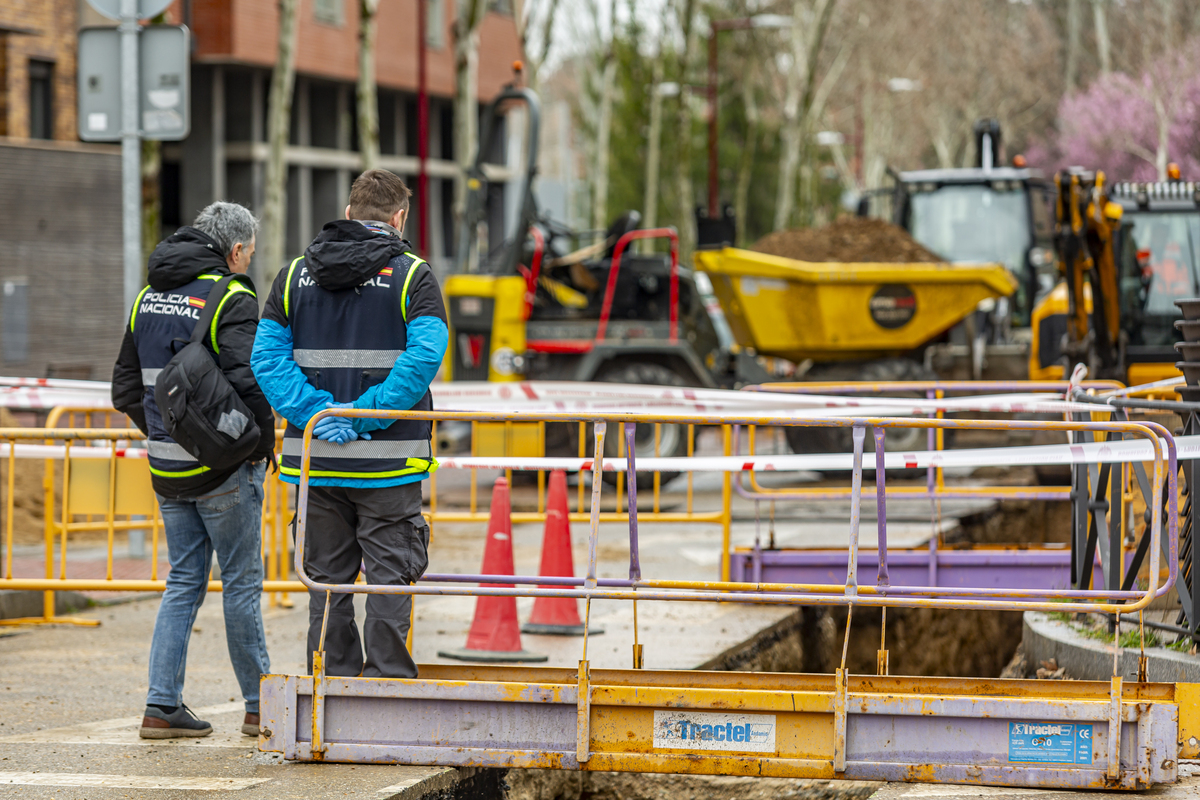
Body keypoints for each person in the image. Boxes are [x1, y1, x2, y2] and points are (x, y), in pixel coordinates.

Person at [251, 169, 448, 678]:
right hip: (388, 465)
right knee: (388, 581)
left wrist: (318, 414)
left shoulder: (293, 274)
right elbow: (425, 357)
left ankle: (328, 691)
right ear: (398, 218)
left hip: (315, 464)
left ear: (348, 213)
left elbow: (267, 358)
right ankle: (384, 694)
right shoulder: (413, 275)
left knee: (325, 583)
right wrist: (363, 417)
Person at [111, 202, 275, 739]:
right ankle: (260, 707)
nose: (247, 262)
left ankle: (162, 706)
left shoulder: (145, 298)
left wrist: (167, 434)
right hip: (225, 470)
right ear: (233, 250)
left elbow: (126, 390)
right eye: (248, 253)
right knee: (242, 585)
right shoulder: (231, 294)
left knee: (183, 581)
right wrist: (258, 448)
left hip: (167, 468)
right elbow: (250, 384)